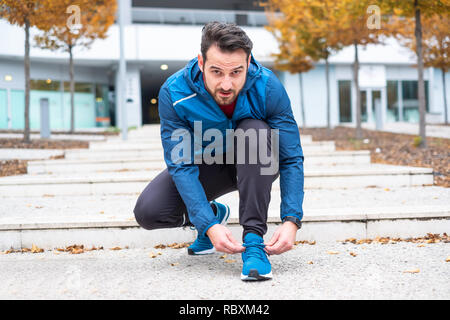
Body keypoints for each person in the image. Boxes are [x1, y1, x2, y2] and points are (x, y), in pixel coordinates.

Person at [134, 21, 304, 281]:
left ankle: (254, 245)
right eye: (216, 71)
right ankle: (215, 214)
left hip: (258, 160)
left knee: (255, 130)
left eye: (236, 72)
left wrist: (291, 219)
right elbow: (181, 164)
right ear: (201, 63)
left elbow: (291, 157)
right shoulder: (174, 92)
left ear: (248, 63)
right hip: (209, 162)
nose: (226, 84)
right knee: (150, 212)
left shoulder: (268, 87)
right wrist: (208, 223)